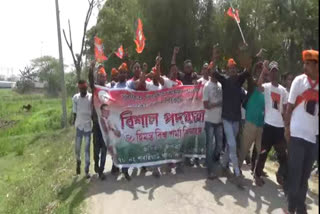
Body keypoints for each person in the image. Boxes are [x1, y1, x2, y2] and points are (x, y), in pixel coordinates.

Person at [285, 50, 319, 214]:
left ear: (316, 65)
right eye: (304, 63)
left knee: (305, 176)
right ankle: (292, 207)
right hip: (297, 134)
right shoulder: (299, 81)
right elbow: (289, 106)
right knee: (295, 173)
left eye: (308, 63)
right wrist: (286, 129)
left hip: (313, 138)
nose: (304, 66)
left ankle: (300, 206)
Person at [212, 57, 250, 189]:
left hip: (236, 120)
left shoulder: (240, 80)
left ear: (236, 70)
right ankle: (237, 173)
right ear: (228, 70)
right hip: (226, 119)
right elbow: (213, 70)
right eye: (231, 69)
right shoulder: (224, 80)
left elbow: (248, 69)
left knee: (230, 144)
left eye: (234, 69)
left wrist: (248, 54)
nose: (233, 70)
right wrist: (214, 55)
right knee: (233, 145)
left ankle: (223, 165)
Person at [254, 61, 288, 187]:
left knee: (283, 156)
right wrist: (263, 71)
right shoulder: (267, 86)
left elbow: (284, 109)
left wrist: (286, 126)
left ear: (278, 72)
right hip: (268, 125)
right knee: (263, 152)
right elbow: (258, 86)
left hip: (279, 128)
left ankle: (280, 174)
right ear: (270, 73)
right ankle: (257, 175)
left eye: (275, 71)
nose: (274, 73)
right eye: (272, 71)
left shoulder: (283, 90)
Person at [239, 61, 267, 174]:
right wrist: (262, 66)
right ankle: (237, 169)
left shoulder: (267, 87)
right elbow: (258, 82)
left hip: (261, 124)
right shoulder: (252, 84)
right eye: (259, 69)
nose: (261, 71)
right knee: (244, 149)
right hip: (250, 122)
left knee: (261, 150)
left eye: (263, 70)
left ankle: (257, 171)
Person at [88, 64, 110, 180]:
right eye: (100, 76)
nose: (102, 78)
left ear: (106, 78)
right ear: (98, 77)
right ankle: (96, 164)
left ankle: (101, 170)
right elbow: (91, 81)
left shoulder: (109, 90)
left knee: (104, 147)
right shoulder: (95, 88)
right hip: (96, 123)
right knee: (96, 148)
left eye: (104, 76)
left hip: (104, 123)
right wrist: (91, 69)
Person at [203, 65, 223, 180]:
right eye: (214, 71)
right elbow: (205, 105)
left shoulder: (220, 85)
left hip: (219, 120)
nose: (216, 73)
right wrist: (217, 104)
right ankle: (210, 169)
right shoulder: (207, 86)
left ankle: (211, 161)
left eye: (217, 71)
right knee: (210, 146)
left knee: (219, 145)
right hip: (210, 120)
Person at [72, 80, 92, 179]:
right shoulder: (75, 98)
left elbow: (93, 112)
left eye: (84, 88)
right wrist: (73, 123)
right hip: (79, 127)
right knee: (77, 148)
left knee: (87, 150)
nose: (83, 90)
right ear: (79, 89)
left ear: (87, 87)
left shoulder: (91, 97)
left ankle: (87, 171)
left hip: (88, 127)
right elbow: (74, 113)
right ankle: (78, 161)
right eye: (81, 89)